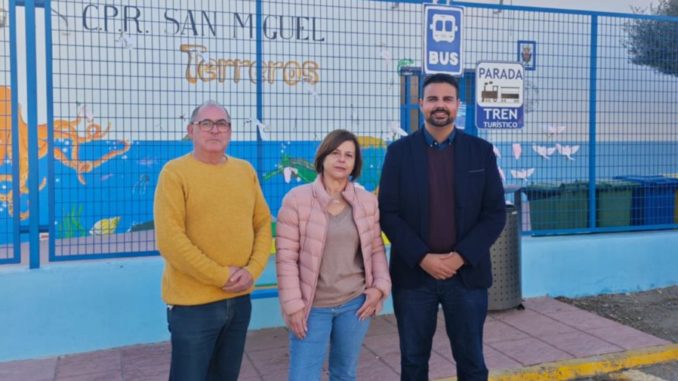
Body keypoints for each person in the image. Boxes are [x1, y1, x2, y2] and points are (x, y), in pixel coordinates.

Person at [378, 74, 506, 381]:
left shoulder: (481, 151)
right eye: (433, 99)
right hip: (414, 276)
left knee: (472, 361)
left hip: (466, 276)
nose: (440, 105)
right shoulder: (398, 153)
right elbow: (388, 213)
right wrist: (424, 258)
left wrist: (460, 257)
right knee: (413, 361)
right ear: (421, 104)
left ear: (458, 105)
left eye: (447, 99)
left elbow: (494, 214)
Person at [154, 100, 272, 381]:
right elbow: (171, 241)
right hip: (193, 306)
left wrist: (252, 271)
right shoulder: (174, 173)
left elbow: (263, 223)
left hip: (239, 301)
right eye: (206, 123)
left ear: (230, 131)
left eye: (222, 124)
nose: (214, 130)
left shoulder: (245, 171)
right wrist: (221, 275)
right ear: (191, 130)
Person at [275, 129, 391, 381]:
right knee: (303, 376)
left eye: (349, 155)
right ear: (323, 157)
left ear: (354, 163)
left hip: (354, 305)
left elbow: (375, 250)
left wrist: (379, 289)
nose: (342, 159)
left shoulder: (366, 202)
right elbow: (285, 258)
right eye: (336, 153)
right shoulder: (297, 199)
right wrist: (293, 306)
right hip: (312, 307)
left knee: (344, 374)